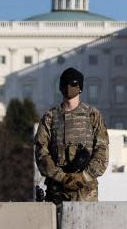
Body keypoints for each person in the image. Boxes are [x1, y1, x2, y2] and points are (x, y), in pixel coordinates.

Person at [34, 67, 110, 205]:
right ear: (60, 87)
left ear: (80, 87)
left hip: (85, 192)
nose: (69, 87)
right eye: (66, 83)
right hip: (56, 189)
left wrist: (83, 177)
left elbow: (102, 153)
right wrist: (62, 177)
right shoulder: (50, 117)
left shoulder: (92, 115)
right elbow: (41, 153)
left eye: (73, 84)